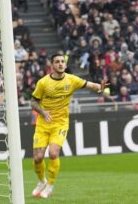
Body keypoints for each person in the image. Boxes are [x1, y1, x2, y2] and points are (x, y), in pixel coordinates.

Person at [31, 53, 106, 198]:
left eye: (62, 62)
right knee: (37, 158)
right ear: (52, 65)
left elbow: (89, 85)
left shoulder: (72, 80)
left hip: (60, 123)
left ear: (65, 65)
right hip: (43, 124)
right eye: (57, 62)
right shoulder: (43, 83)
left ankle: (50, 186)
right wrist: (42, 111)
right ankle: (41, 181)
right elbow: (33, 102)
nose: (60, 64)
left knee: (53, 153)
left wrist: (100, 87)